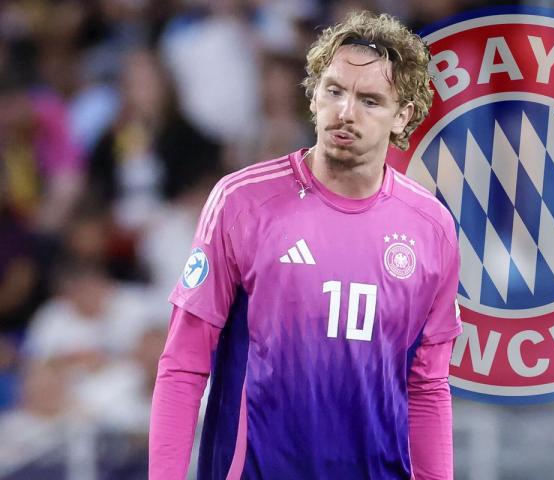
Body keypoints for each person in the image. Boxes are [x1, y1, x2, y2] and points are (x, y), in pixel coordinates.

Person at [150, 10, 461, 480]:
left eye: (370, 100)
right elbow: (183, 364)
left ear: (403, 116)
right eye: (334, 91)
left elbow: (428, 385)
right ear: (313, 95)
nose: (346, 112)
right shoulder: (242, 202)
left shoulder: (431, 228)